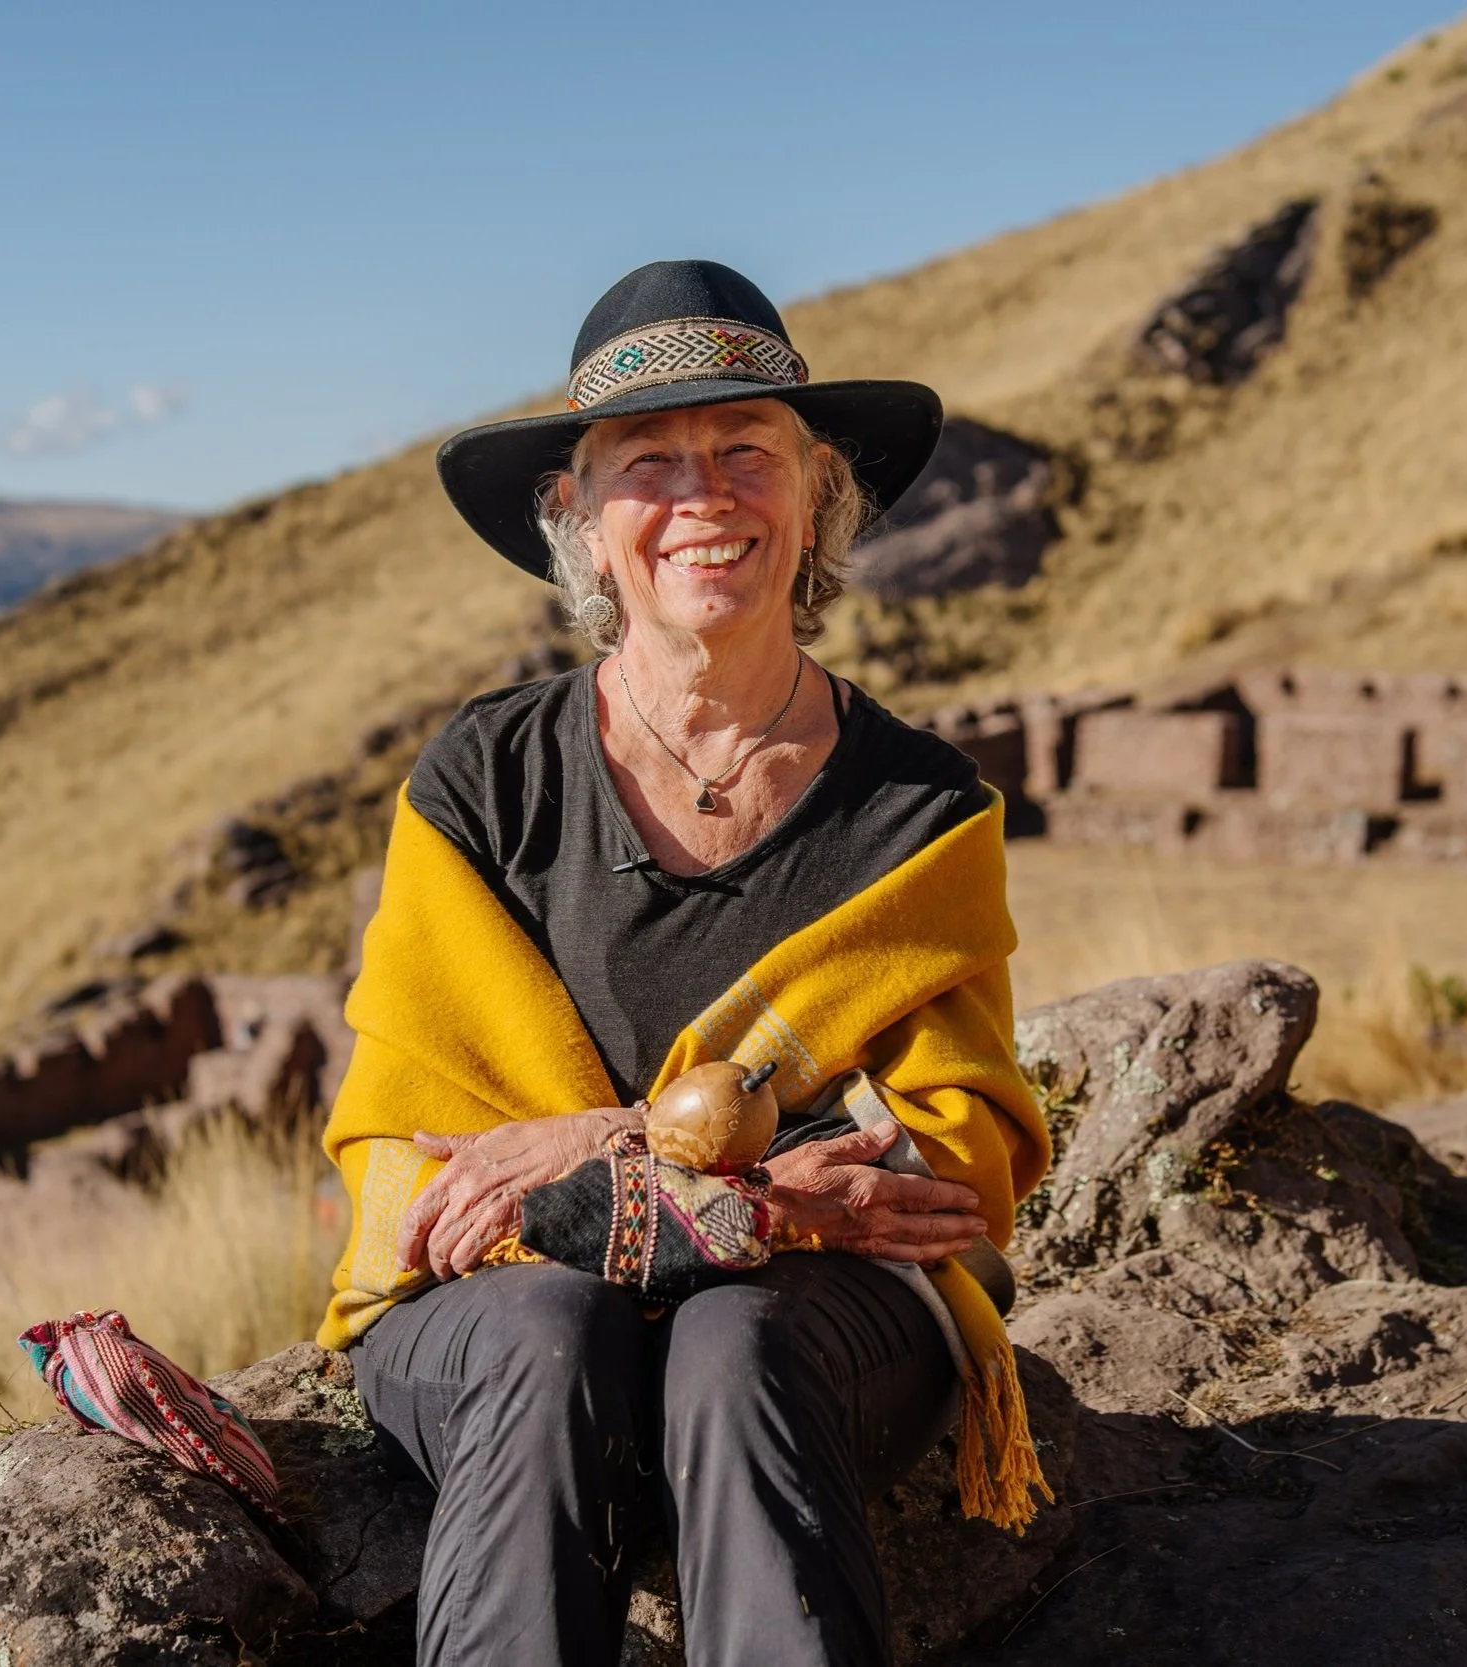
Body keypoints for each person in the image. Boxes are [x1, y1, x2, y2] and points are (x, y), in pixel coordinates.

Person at [318, 260, 1053, 1667]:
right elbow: (415, 1171)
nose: (703, 496)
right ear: (582, 525)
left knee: (734, 1346)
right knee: (545, 1323)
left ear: (816, 497)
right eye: (647, 464)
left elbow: (942, 1165)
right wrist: (744, 1178)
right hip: (505, 1313)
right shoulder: (482, 779)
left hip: (817, 1319)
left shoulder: (920, 809)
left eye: (746, 454)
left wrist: (617, 1161)